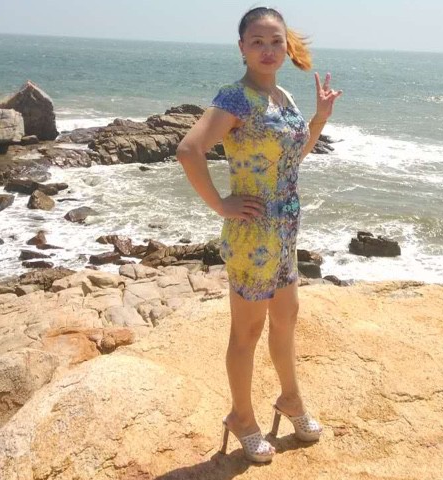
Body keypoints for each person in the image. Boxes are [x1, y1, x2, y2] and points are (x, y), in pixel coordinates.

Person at [176, 6, 342, 463]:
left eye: (275, 41)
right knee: (247, 331)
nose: (268, 50)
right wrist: (220, 204)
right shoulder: (235, 97)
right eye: (257, 41)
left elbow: (291, 160)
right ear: (242, 48)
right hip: (252, 236)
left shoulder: (282, 96)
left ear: (285, 47)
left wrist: (319, 118)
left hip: (285, 231)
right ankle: (242, 417)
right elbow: (189, 149)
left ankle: (290, 398)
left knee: (286, 319)